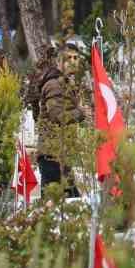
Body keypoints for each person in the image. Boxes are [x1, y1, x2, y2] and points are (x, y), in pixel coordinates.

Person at [25, 38, 90, 193]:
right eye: (69, 58)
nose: (73, 61)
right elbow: (57, 115)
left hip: (59, 153)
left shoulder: (65, 83)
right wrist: (80, 113)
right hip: (51, 155)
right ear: (59, 61)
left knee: (67, 203)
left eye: (76, 58)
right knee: (54, 206)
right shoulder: (54, 84)